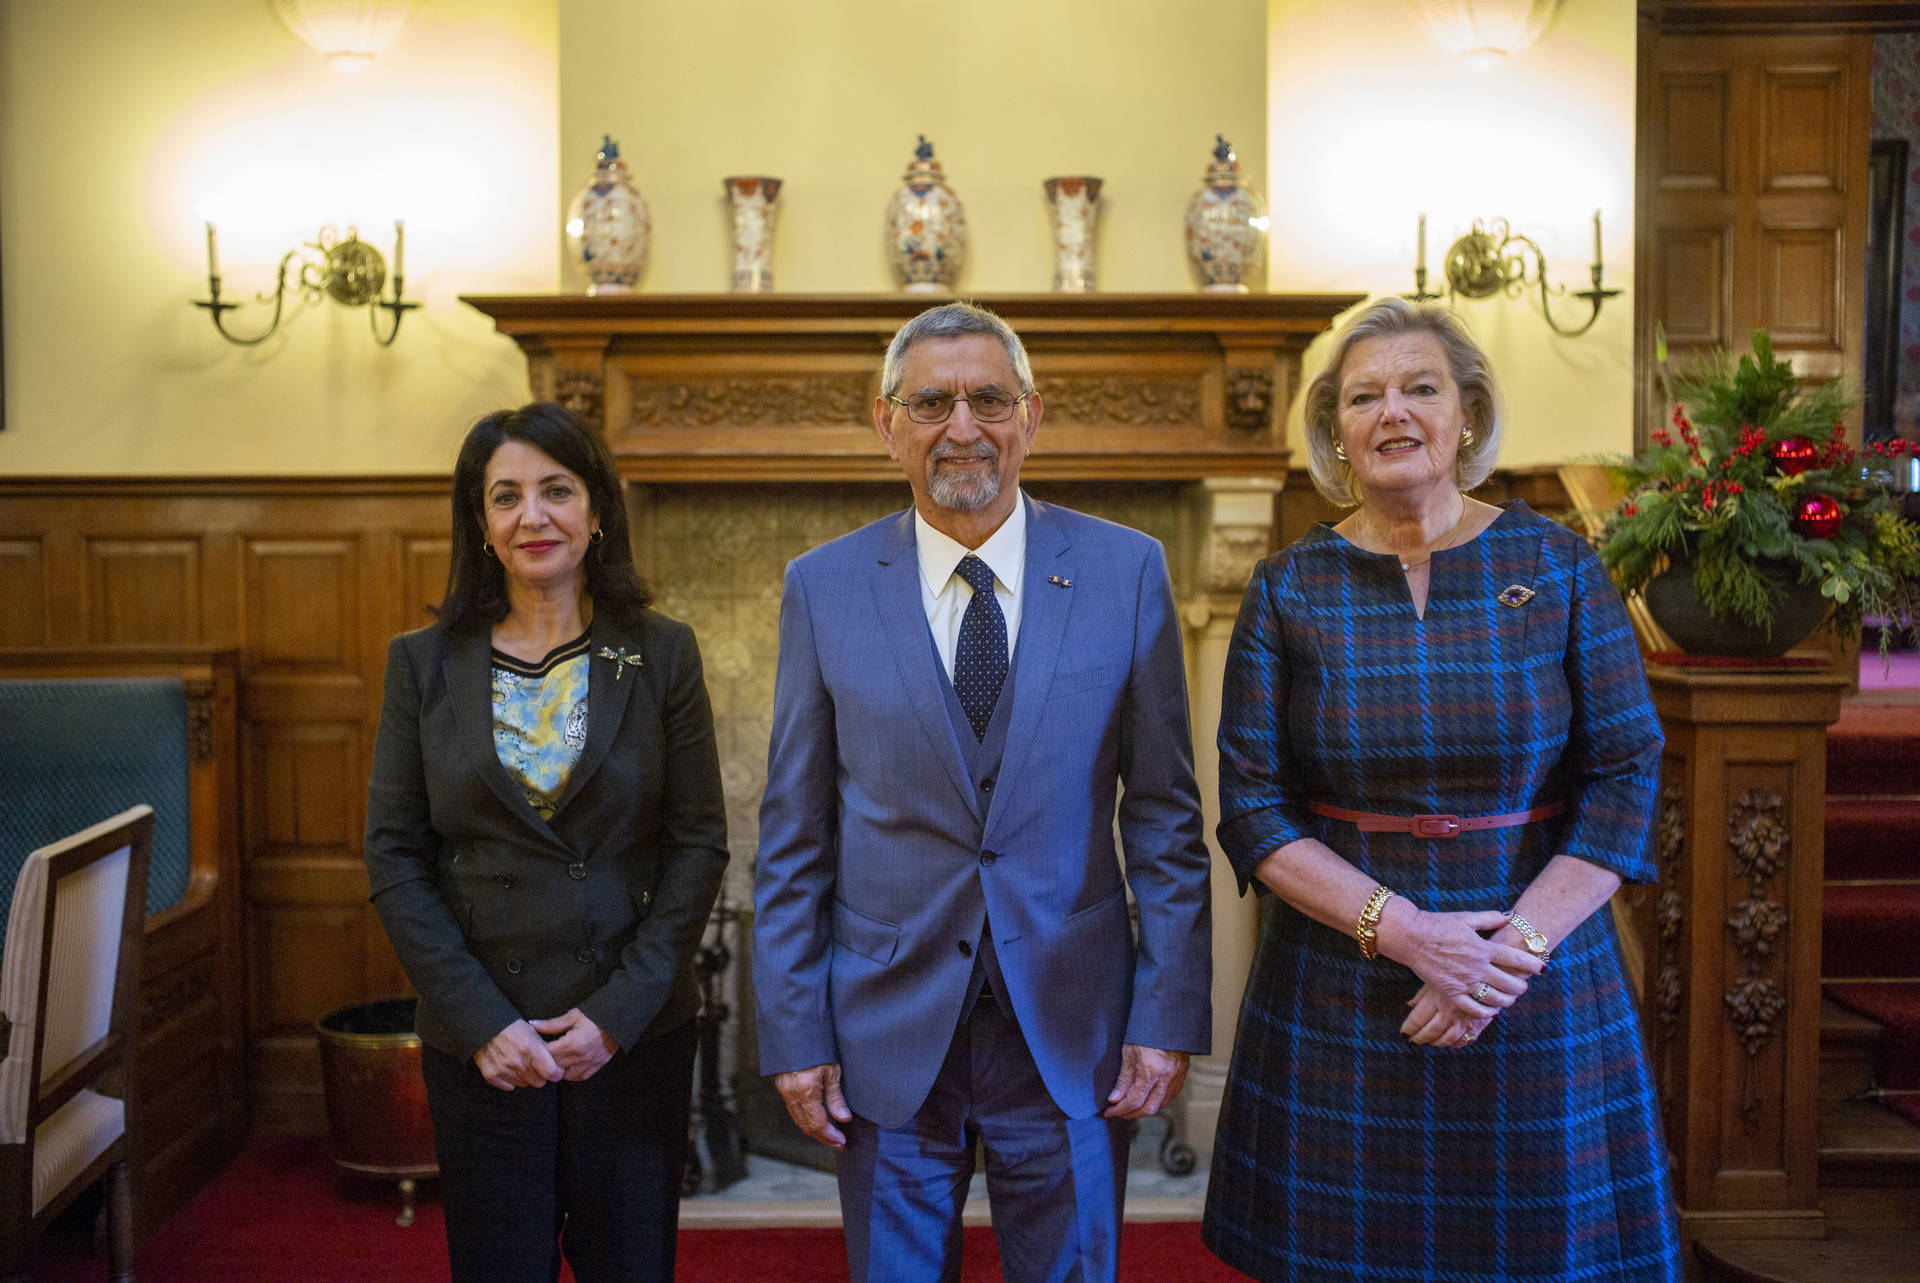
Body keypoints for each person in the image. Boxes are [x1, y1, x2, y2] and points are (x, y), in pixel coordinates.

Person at [1203, 298, 1683, 1281]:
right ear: (1334, 429)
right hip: (1342, 982)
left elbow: (1628, 767)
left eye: (1421, 387)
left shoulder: (1559, 566)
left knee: (1544, 1253)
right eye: (1364, 395)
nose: (1394, 412)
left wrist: (1513, 949)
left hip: (1534, 979)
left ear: (1465, 413)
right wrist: (1408, 931)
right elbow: (1251, 802)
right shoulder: (1286, 587)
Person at [753, 301, 1213, 1282]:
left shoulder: (1127, 571)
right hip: (884, 1031)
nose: (963, 425)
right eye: (931, 401)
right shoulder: (821, 587)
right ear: (887, 425)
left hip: (1071, 1028)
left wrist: (1167, 1012)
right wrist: (795, 1029)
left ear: (1031, 417)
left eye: (988, 399)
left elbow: (1166, 815)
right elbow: (794, 833)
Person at [363, 401, 728, 1282]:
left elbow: (699, 843)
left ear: (597, 510)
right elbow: (394, 854)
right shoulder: (422, 664)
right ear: (480, 524)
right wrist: (484, 1022)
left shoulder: (662, 652)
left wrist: (615, 1017)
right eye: (506, 496)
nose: (534, 515)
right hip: (486, 1044)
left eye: (556, 490)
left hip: (630, 1036)